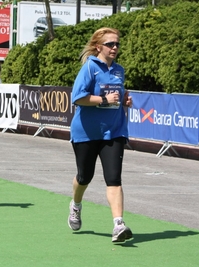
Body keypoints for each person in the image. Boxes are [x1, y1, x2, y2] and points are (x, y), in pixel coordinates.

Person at [67, 27, 133, 242]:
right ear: (99, 47)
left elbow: (117, 96)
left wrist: (124, 101)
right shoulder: (89, 68)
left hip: (113, 132)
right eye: (110, 44)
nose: (115, 48)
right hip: (86, 132)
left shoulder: (119, 70)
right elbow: (78, 98)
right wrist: (104, 100)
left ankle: (118, 225)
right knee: (85, 176)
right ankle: (76, 205)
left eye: (117, 44)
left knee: (114, 178)